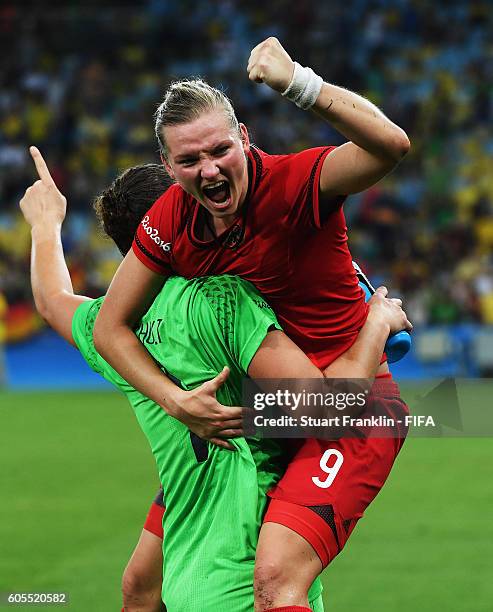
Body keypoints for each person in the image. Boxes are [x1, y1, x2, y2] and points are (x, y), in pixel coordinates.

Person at [93, 38, 411, 611]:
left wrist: (298, 83)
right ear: (168, 168)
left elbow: (391, 146)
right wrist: (174, 400)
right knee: (142, 584)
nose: (209, 170)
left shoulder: (294, 184)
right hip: (270, 418)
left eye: (219, 150)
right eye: (188, 161)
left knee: (275, 582)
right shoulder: (173, 219)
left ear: (244, 138)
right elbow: (108, 326)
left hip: (353, 412)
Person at [21, 148, 410, 611]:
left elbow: (51, 299)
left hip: (186, 578)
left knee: (137, 589)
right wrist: (376, 323)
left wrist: (46, 221)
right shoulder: (223, 302)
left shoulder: (110, 329)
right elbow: (329, 407)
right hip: (245, 580)